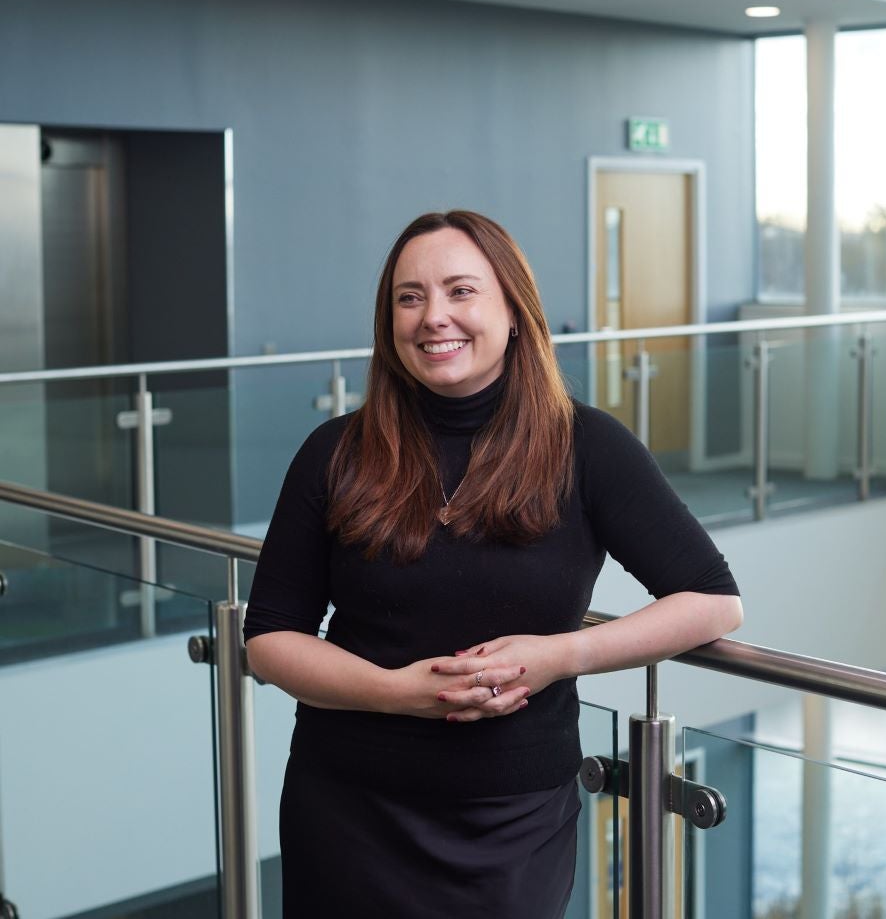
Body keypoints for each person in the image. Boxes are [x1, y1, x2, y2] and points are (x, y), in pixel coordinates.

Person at [243, 210, 742, 919]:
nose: (432, 316)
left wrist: (562, 655)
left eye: (459, 291)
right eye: (408, 297)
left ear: (512, 311)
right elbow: (269, 637)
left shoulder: (586, 445)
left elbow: (713, 601)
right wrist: (397, 691)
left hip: (513, 820)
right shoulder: (335, 452)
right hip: (347, 807)